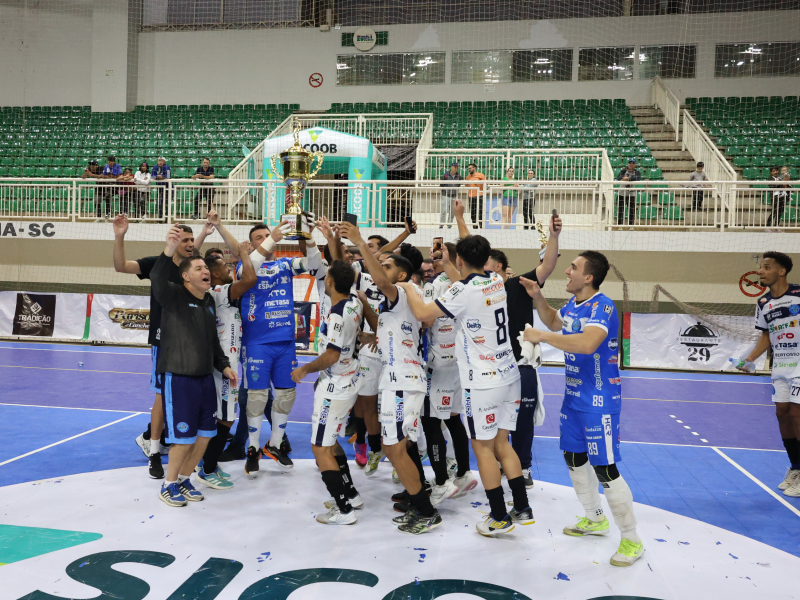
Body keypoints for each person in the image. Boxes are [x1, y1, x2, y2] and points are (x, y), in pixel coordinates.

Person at [401, 234, 534, 537]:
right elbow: (465, 281)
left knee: (483, 449)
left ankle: (498, 516)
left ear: (460, 259)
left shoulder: (462, 290)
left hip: (484, 382)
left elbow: (422, 313)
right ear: (487, 259)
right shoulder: (495, 280)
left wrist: (409, 287)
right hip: (510, 374)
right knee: (502, 444)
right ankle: (522, 506)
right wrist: (450, 261)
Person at [522, 250, 643, 567]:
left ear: (588, 277)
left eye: (573, 267)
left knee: (606, 469)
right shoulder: (574, 305)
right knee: (574, 459)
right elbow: (555, 320)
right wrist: (538, 297)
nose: (567, 271)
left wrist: (542, 337)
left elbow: (588, 344)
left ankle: (632, 540)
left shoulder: (603, 306)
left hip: (599, 401)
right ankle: (595, 518)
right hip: (573, 398)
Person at [340, 221, 443, 535]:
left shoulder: (399, 291)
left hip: (402, 382)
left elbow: (382, 280)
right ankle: (419, 501)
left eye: (387, 265)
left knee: (394, 447)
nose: (380, 269)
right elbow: (386, 327)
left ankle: (426, 511)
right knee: (402, 446)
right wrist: (367, 322)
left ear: (401, 275)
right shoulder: (396, 302)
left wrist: (359, 241)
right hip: (398, 379)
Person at [151, 224, 238, 507]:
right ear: (186, 276)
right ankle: (168, 485)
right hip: (179, 379)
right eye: (199, 268)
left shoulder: (208, 301)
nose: (206, 271)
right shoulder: (173, 295)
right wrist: (169, 249)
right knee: (184, 438)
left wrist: (224, 365)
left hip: (204, 380)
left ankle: (185, 479)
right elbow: (157, 278)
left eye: (206, 268)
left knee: (205, 436)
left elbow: (213, 342)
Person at [113, 215, 195, 479]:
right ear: (173, 241)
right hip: (164, 341)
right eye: (185, 240)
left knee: (184, 395)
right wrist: (120, 236)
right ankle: (154, 450)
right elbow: (121, 266)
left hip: (191, 342)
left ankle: (174, 441)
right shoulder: (156, 264)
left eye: (193, 240)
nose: (190, 244)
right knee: (161, 395)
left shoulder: (194, 267)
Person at [484, 212, 561, 488]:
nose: (482, 271)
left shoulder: (517, 286)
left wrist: (553, 236)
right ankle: (500, 463)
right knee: (493, 420)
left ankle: (524, 466)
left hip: (520, 365)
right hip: (491, 368)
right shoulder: (476, 292)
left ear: (500, 267)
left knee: (523, 419)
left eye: (487, 266)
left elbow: (547, 266)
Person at [238, 220, 321, 476]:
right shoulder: (245, 264)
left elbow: (315, 264)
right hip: (257, 342)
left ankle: (274, 444)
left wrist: (308, 236)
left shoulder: (285, 264)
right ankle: (252, 448)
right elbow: (249, 272)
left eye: (267, 235)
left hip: (285, 341)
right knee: (257, 397)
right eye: (259, 237)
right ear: (252, 243)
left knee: (287, 395)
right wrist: (272, 237)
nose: (266, 238)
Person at [290, 260, 364, 525]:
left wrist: (305, 369)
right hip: (349, 380)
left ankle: (344, 511)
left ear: (329, 281)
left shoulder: (337, 315)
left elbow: (332, 355)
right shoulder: (355, 302)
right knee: (330, 442)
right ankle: (351, 495)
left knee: (320, 448)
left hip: (335, 387)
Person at [734, 252, 800, 497]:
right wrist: (750, 359)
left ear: (781, 271)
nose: (761, 271)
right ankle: (795, 468)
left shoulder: (799, 294)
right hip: (781, 365)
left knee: (796, 414)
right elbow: (766, 335)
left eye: (767, 267)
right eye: (761, 267)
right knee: (782, 414)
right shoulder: (763, 302)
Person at [194, 243, 258, 491]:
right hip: (223, 368)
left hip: (225, 365)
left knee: (222, 418)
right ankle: (207, 469)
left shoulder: (218, 294)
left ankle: (206, 463)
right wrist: (244, 254)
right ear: (216, 274)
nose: (229, 269)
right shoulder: (221, 291)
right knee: (226, 420)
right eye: (224, 267)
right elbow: (250, 279)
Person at [420, 242, 477, 505]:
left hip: (438, 363)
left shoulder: (435, 284)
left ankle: (442, 482)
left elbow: (426, 319)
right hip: (460, 362)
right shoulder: (467, 284)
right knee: (454, 418)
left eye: (435, 256)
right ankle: (464, 473)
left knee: (431, 421)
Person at [95, 156, 122, 222]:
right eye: (109, 161)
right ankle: (101, 216)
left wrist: (111, 176)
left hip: (116, 186)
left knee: (108, 196)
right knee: (100, 198)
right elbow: (104, 175)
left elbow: (119, 176)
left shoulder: (117, 166)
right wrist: (103, 176)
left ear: (114, 162)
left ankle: (108, 214)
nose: (110, 163)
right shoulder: (106, 166)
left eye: (111, 161)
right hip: (107, 185)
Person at [616, 159, 641, 226]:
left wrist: (628, 179)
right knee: (620, 210)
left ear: (635, 165)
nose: (631, 165)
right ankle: (620, 225)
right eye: (630, 163)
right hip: (621, 194)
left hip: (631, 194)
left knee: (632, 211)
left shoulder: (637, 172)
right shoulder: (623, 171)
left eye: (633, 163)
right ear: (628, 164)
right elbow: (619, 177)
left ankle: (631, 225)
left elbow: (638, 178)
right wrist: (624, 179)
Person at [440, 162, 462, 229]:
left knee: (452, 212)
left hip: (454, 196)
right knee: (444, 211)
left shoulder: (458, 176)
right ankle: (441, 224)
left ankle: (449, 224)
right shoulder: (446, 175)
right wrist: (444, 192)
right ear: (451, 167)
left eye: (457, 167)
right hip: (446, 195)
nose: (455, 168)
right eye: (454, 167)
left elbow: (459, 184)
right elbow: (441, 184)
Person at [465, 163, 486, 229]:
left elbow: (485, 185)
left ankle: (481, 226)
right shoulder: (468, 177)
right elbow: (466, 184)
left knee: (480, 212)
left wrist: (478, 183)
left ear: (474, 168)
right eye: (468, 169)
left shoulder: (481, 175)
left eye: (470, 168)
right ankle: (474, 227)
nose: (469, 170)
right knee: (472, 213)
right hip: (471, 196)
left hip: (479, 195)